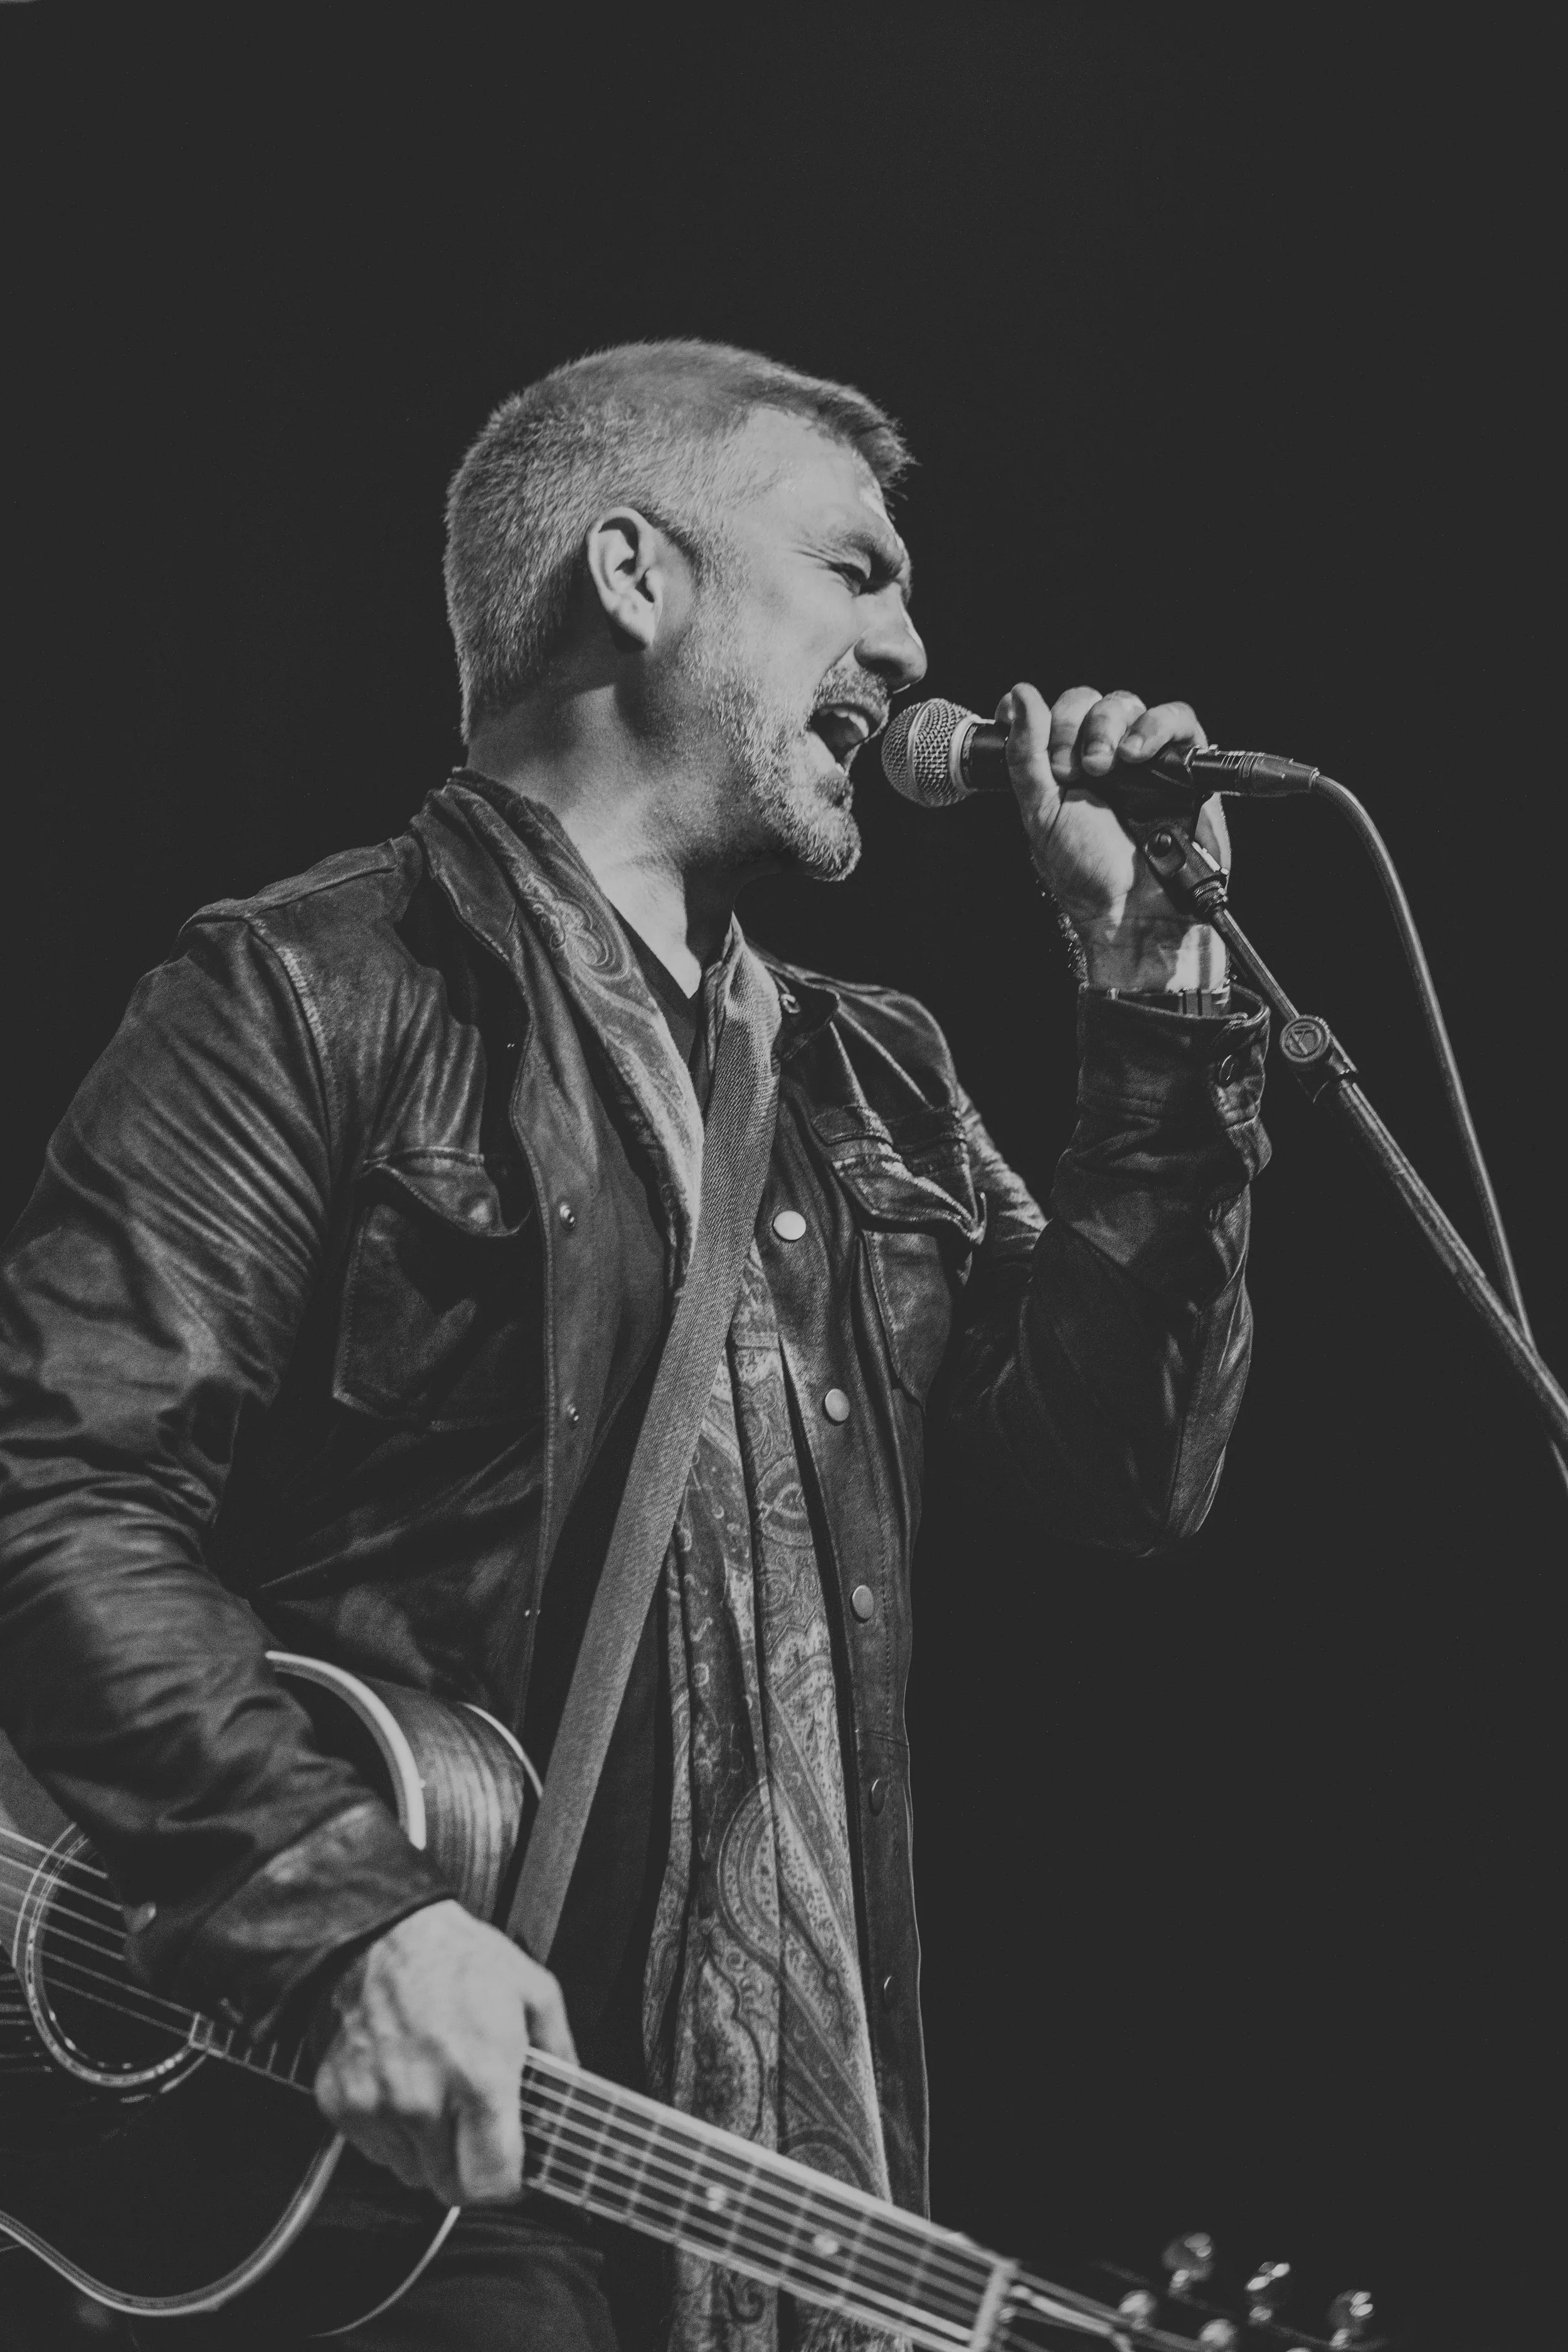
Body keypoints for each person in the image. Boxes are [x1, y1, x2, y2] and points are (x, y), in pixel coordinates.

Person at [0, 341, 1268, 2350]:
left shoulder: (868, 1076)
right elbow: (60, 1492)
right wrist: (341, 1923)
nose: (913, 643)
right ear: (634, 573)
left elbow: (1122, 1469)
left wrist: (1153, 998)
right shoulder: (312, 988)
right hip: (388, 2193)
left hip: (749, 2180)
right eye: (854, 569)